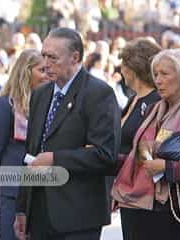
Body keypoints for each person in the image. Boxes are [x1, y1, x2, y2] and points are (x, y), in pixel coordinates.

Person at [14, 27, 121, 240]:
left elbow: (105, 155)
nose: (45, 64)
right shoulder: (41, 94)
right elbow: (31, 153)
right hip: (40, 214)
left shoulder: (98, 94)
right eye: (43, 56)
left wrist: (55, 159)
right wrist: (22, 208)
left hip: (78, 217)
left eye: (53, 57)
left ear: (75, 57)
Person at [112, 49, 180, 240]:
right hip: (143, 209)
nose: (157, 80)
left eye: (165, 74)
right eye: (156, 74)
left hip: (179, 213)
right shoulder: (152, 110)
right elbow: (139, 156)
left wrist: (167, 167)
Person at [0, 49, 47, 240]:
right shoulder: (5, 105)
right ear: (26, 72)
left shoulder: (48, 104)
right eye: (42, 70)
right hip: (13, 188)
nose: (47, 75)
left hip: (43, 190)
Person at [112, 38, 161, 238]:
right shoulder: (134, 99)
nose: (121, 70)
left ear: (133, 68)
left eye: (123, 64)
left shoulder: (156, 101)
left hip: (145, 194)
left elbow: (150, 147)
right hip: (128, 192)